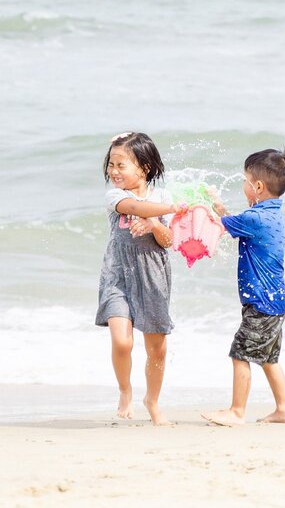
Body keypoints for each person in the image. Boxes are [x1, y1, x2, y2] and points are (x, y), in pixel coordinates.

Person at [202, 149, 285, 426]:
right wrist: (218, 205)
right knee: (269, 358)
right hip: (275, 301)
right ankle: (284, 409)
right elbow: (233, 223)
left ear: (257, 187)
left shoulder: (254, 219)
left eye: (245, 180)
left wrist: (198, 207)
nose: (243, 185)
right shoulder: (270, 214)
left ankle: (237, 411)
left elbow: (217, 226)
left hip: (262, 302)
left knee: (239, 354)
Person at [95, 131, 183, 425]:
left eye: (121, 165)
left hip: (153, 276)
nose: (114, 171)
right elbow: (133, 208)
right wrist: (169, 210)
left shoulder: (161, 197)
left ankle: (153, 401)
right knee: (123, 342)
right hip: (118, 274)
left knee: (157, 347)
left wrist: (155, 223)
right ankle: (125, 389)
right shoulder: (116, 196)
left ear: (144, 168)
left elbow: (168, 240)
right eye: (111, 164)